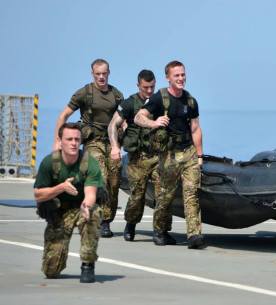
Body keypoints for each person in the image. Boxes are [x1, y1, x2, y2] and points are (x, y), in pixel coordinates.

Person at [134, 60, 206, 249]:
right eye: (177, 75)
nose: (181, 78)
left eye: (183, 74)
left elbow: (196, 128)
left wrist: (200, 156)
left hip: (188, 152)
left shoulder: (190, 100)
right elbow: (138, 117)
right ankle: (160, 230)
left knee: (191, 193)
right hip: (169, 155)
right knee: (165, 196)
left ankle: (194, 235)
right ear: (168, 78)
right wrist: (154, 123)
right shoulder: (159, 98)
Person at [52, 59, 124, 238]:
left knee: (114, 181)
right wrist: (57, 141)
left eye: (104, 73)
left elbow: (124, 119)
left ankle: (107, 219)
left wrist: (123, 139)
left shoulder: (116, 95)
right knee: (102, 176)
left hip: (112, 142)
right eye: (97, 74)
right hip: (93, 142)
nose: (101, 77)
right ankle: (99, 220)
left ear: (109, 73)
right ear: (92, 74)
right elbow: (64, 115)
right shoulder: (85, 93)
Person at [108, 69, 174, 245]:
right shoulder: (130, 103)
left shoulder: (160, 101)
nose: (150, 91)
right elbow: (113, 125)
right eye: (146, 87)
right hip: (138, 158)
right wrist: (115, 147)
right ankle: (130, 224)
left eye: (152, 87)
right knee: (138, 195)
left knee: (163, 194)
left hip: (159, 156)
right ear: (138, 85)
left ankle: (161, 231)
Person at [34, 123, 104, 283]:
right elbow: (38, 195)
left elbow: (91, 193)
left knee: (93, 213)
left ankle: (88, 264)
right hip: (59, 213)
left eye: (77, 139)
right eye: (69, 139)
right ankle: (56, 260)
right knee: (50, 272)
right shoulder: (49, 163)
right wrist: (61, 187)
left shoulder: (89, 162)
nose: (73, 143)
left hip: (80, 208)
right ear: (60, 141)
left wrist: (86, 206)